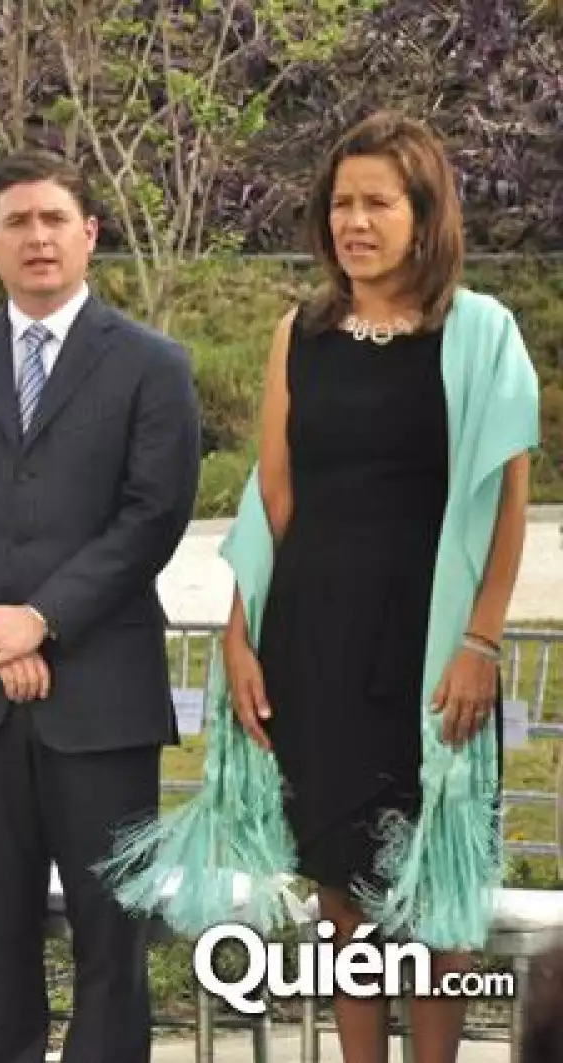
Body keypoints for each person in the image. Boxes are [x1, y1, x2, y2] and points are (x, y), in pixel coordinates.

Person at [217, 113, 532, 1063]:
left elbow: (506, 505)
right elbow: (272, 497)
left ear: (424, 215)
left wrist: (482, 641)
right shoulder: (299, 333)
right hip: (315, 641)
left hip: (432, 652)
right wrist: (239, 633)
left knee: (434, 879)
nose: (355, 221)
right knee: (341, 886)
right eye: (341, 203)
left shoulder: (479, 333)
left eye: (378, 203)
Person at [0, 150, 203, 1063]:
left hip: (101, 700)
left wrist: (44, 619)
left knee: (112, 945)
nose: (37, 237)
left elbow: (154, 515)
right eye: (17, 222)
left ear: (89, 234)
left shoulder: (151, 364)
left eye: (54, 219)